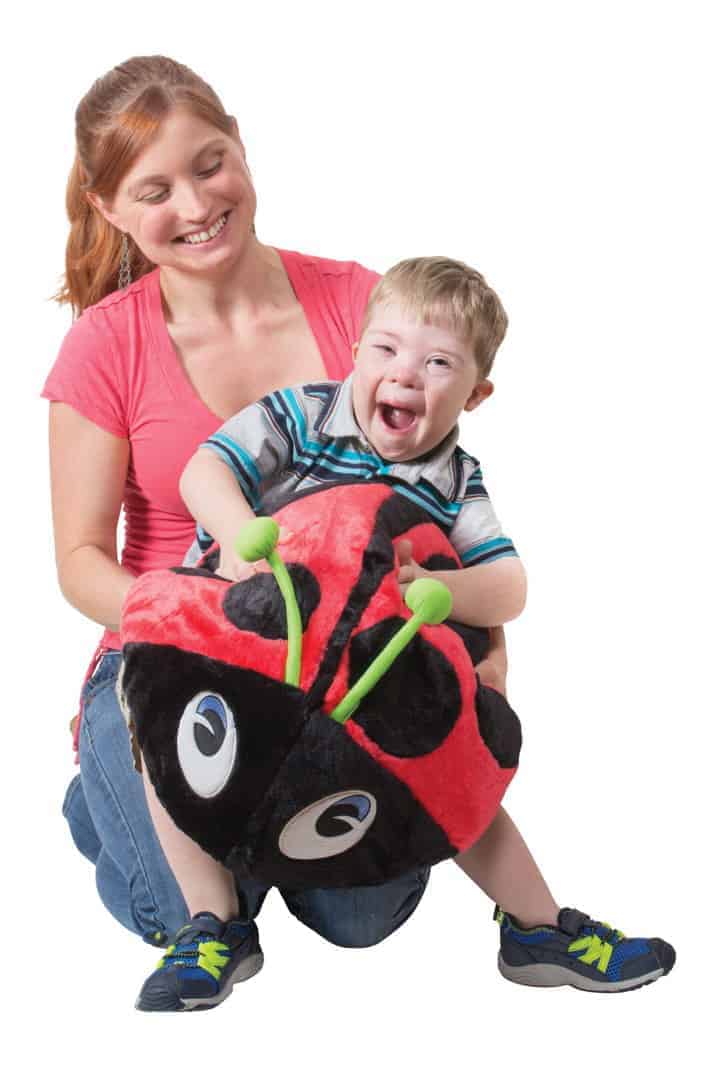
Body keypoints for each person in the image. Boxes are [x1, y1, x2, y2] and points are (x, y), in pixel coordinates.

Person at [44, 56, 674, 1013]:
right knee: (182, 896)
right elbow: (83, 561)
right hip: (184, 636)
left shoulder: (373, 314)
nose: (198, 205)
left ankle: (535, 926)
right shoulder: (115, 346)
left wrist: (480, 664)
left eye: (210, 165)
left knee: (361, 912)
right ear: (109, 207)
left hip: (352, 646)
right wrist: (204, 601)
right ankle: (146, 818)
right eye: (155, 190)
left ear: (240, 144)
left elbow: (453, 534)